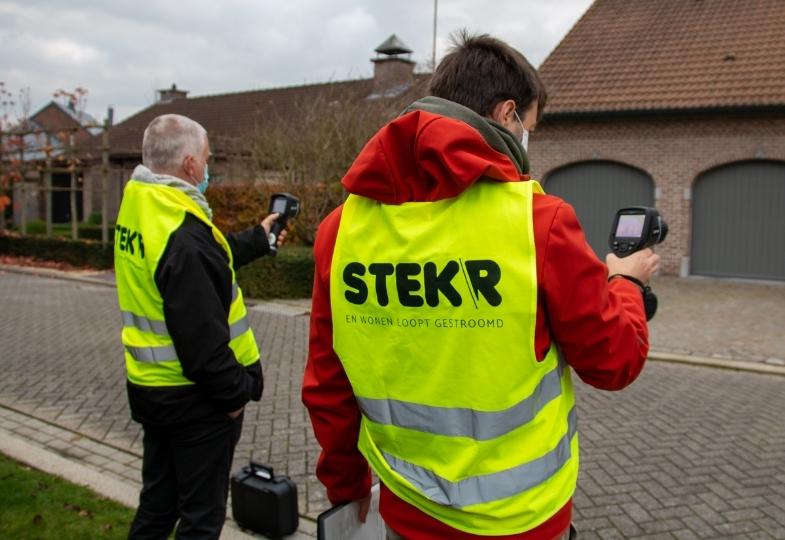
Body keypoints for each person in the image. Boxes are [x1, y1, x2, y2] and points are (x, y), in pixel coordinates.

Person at [302, 31, 659, 540]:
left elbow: (326, 384)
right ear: (507, 115)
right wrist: (625, 284)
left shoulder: (341, 231)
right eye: (529, 126)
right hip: (524, 520)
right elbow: (614, 361)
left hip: (406, 512)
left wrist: (345, 486)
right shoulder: (539, 222)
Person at [114, 113, 285, 539]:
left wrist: (256, 239)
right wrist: (234, 398)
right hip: (197, 403)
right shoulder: (184, 235)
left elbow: (201, 259)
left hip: (153, 391)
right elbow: (202, 344)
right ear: (191, 165)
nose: (209, 170)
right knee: (201, 520)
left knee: (157, 506)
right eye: (207, 161)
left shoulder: (144, 206)